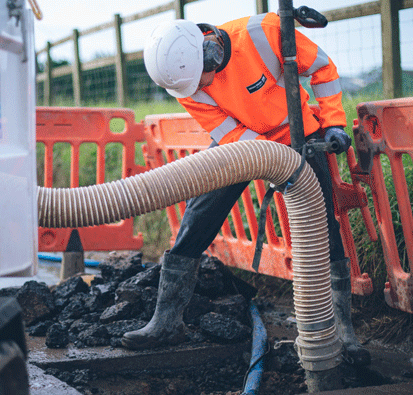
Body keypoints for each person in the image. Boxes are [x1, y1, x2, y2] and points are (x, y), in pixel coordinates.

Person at [121, 13, 370, 366]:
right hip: (245, 143)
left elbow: (323, 68)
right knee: (200, 212)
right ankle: (166, 321)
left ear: (209, 53)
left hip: (301, 133)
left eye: (200, 81)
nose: (197, 90)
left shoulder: (262, 33)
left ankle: (343, 332)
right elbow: (229, 132)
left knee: (322, 227)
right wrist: (273, 163)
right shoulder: (185, 81)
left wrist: (332, 123)